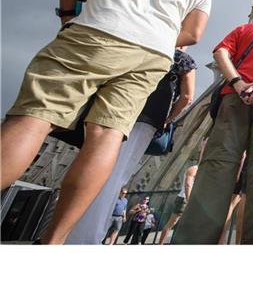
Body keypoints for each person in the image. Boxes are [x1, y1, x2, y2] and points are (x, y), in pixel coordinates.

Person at [1, 0, 210, 244]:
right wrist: (160, 34)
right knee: (107, 136)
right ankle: (54, 241)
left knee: (35, 117)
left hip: (101, 31)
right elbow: (194, 34)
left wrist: (68, 12)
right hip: (152, 56)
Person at [173, 4, 253, 245]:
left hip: (235, 97)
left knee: (217, 166)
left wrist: (238, 83)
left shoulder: (244, 29)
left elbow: (221, 53)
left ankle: (193, 242)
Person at [65, 48, 197, 245]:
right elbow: (187, 97)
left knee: (90, 166)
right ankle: (85, 237)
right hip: (145, 120)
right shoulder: (181, 59)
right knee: (115, 177)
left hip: (110, 109)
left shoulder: (139, 43)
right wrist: (168, 119)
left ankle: (62, 231)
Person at [159, 164, 198, 245]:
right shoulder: (194, 169)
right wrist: (188, 200)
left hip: (190, 200)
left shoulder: (200, 170)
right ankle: (160, 244)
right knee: (171, 223)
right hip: (185, 199)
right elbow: (188, 184)